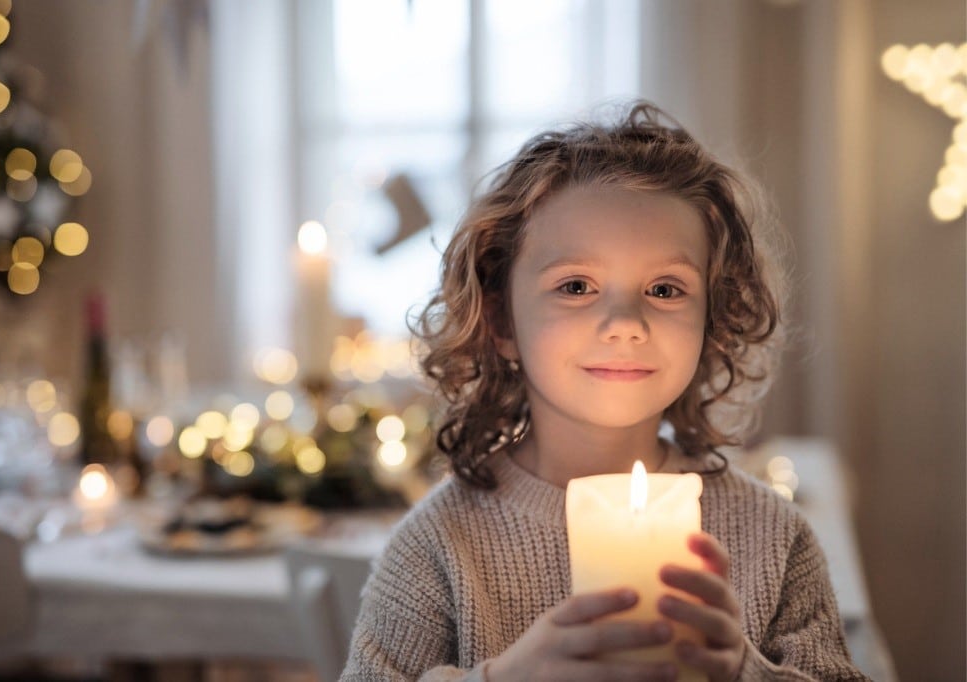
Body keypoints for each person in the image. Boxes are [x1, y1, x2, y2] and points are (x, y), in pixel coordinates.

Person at [341, 102, 867, 681]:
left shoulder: (773, 535)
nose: (625, 322)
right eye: (575, 285)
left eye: (665, 289)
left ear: (712, 318)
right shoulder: (438, 546)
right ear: (502, 322)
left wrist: (743, 672)